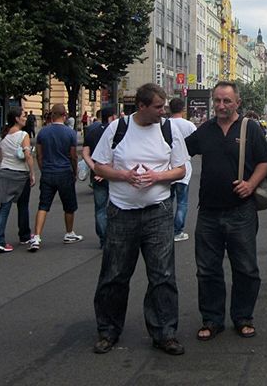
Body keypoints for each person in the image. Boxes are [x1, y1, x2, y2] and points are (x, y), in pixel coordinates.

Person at [91, 83, 189, 356]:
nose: (163, 111)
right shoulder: (118, 128)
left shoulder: (169, 130)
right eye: (158, 107)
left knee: (163, 275)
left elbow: (180, 169)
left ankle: (165, 333)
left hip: (158, 211)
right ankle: (108, 331)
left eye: (164, 106)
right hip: (122, 212)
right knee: (114, 274)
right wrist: (124, 175)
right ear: (142, 106)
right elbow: (99, 165)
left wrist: (157, 176)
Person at [185, 81, 267, 341]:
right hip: (208, 211)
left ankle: (243, 317)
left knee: (245, 268)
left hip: (241, 210)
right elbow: (179, 151)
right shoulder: (205, 130)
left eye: (227, 101)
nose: (221, 105)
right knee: (207, 269)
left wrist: (251, 184)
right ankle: (212, 319)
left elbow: (265, 161)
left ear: (237, 103)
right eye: (217, 100)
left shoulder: (250, 128)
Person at [28, 103, 82, 251]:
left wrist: (43, 169)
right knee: (69, 206)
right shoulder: (70, 133)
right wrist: (75, 172)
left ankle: (37, 236)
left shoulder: (43, 132)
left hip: (48, 172)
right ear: (64, 116)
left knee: (43, 205)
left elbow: (39, 155)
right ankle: (69, 233)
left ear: (52, 115)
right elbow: (73, 156)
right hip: (65, 172)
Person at [0, 107, 35, 253]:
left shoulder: (3, 135)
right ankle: (24, 235)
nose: (25, 118)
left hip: (5, 172)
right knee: (23, 205)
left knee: (4, 207)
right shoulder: (23, 135)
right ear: (16, 118)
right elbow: (28, 155)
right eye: (23, 116)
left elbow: (1, 157)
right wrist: (32, 173)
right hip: (20, 173)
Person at [81, 105, 117, 248]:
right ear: (112, 117)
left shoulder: (92, 131)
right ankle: (114, 237)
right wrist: (107, 169)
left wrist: (96, 169)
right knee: (117, 207)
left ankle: (103, 239)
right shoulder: (116, 131)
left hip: (96, 175)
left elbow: (85, 153)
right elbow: (119, 154)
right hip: (114, 175)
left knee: (100, 209)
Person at [169, 98, 197, 242]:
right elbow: (197, 143)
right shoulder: (189, 125)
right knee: (182, 202)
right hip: (184, 168)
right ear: (183, 109)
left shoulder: (164, 124)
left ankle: (165, 229)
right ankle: (177, 231)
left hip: (167, 168)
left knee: (167, 200)